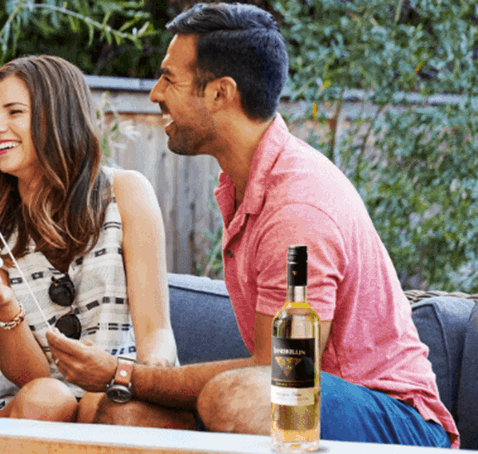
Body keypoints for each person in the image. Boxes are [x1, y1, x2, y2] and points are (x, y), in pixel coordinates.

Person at [46, 3, 459, 448]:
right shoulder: (245, 186)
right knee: (119, 414)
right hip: (298, 404)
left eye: (169, 77)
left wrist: (122, 372)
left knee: (239, 396)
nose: (155, 94)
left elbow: (279, 370)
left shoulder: (297, 206)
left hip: (397, 421)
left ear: (221, 93)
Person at [0, 55, 190, 429]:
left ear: (59, 117)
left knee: (112, 404)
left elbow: (156, 331)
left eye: (14, 111)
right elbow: (30, 377)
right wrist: (3, 310)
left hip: (116, 388)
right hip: (28, 405)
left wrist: (152, 376)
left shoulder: (126, 193)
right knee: (50, 399)